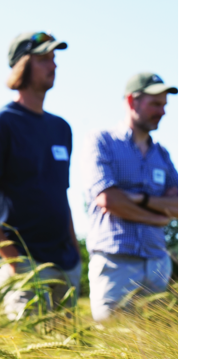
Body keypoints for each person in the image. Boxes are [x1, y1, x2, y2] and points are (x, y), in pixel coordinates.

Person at [0, 31, 81, 321]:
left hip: (65, 264)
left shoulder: (61, 128)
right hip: (23, 264)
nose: (53, 65)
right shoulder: (0, 124)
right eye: (44, 59)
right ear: (21, 65)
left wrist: (74, 251)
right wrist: (13, 261)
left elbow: (60, 193)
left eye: (54, 58)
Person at [81, 72, 178, 322]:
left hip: (157, 264)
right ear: (132, 101)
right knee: (113, 348)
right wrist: (157, 217)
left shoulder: (162, 155)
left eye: (165, 105)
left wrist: (137, 199)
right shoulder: (102, 141)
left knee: (156, 353)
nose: (163, 112)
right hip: (116, 263)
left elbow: (181, 206)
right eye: (156, 104)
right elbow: (108, 199)